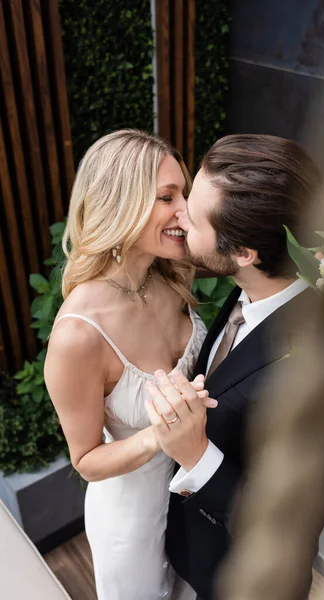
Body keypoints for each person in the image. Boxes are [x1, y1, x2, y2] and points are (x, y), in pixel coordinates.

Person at [144, 134, 324, 600]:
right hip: (196, 551)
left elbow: (293, 523)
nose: (176, 216)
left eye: (192, 216)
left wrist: (195, 455)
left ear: (244, 253)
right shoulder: (252, 287)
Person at [44, 129, 215, 600]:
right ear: (123, 204)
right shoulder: (79, 336)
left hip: (196, 503)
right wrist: (161, 434)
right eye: (167, 197)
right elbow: (86, 461)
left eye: (185, 192)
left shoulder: (171, 273)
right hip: (133, 529)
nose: (186, 210)